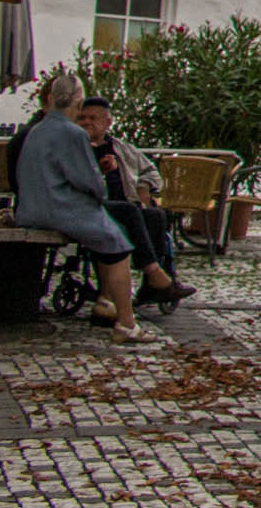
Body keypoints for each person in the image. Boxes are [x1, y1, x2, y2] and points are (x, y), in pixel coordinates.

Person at [13, 73, 158, 345]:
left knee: (108, 233)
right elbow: (91, 184)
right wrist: (100, 178)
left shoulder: (37, 130)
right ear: (78, 102)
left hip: (30, 208)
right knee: (118, 244)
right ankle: (126, 323)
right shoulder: (72, 133)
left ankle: (106, 303)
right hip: (58, 209)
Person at [78, 96, 194, 314]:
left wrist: (144, 187)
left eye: (93, 118)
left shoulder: (122, 149)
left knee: (156, 215)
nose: (86, 123)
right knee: (130, 213)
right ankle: (153, 275)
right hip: (94, 207)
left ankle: (152, 284)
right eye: (82, 118)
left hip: (127, 205)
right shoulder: (77, 148)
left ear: (107, 122)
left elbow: (151, 171)